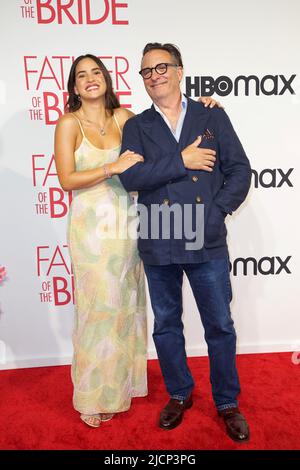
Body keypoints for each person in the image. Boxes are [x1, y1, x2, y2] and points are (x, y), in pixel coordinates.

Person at [54, 53, 219, 428]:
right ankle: (94, 394)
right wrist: (111, 167)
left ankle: (121, 387)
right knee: (98, 310)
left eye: (96, 72)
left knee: (127, 308)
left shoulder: (126, 118)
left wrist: (205, 108)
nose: (90, 79)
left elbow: (168, 127)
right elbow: (66, 179)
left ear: (107, 79)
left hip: (132, 224)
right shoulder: (68, 123)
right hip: (93, 229)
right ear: (75, 86)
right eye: (82, 75)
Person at [119, 43, 252, 442]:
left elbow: (241, 170)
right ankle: (179, 393)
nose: (154, 74)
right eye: (146, 71)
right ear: (142, 81)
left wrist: (217, 211)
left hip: (206, 238)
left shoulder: (211, 116)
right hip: (158, 235)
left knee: (220, 325)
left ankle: (227, 402)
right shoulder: (137, 126)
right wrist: (183, 161)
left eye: (162, 67)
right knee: (166, 326)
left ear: (179, 71)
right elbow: (131, 178)